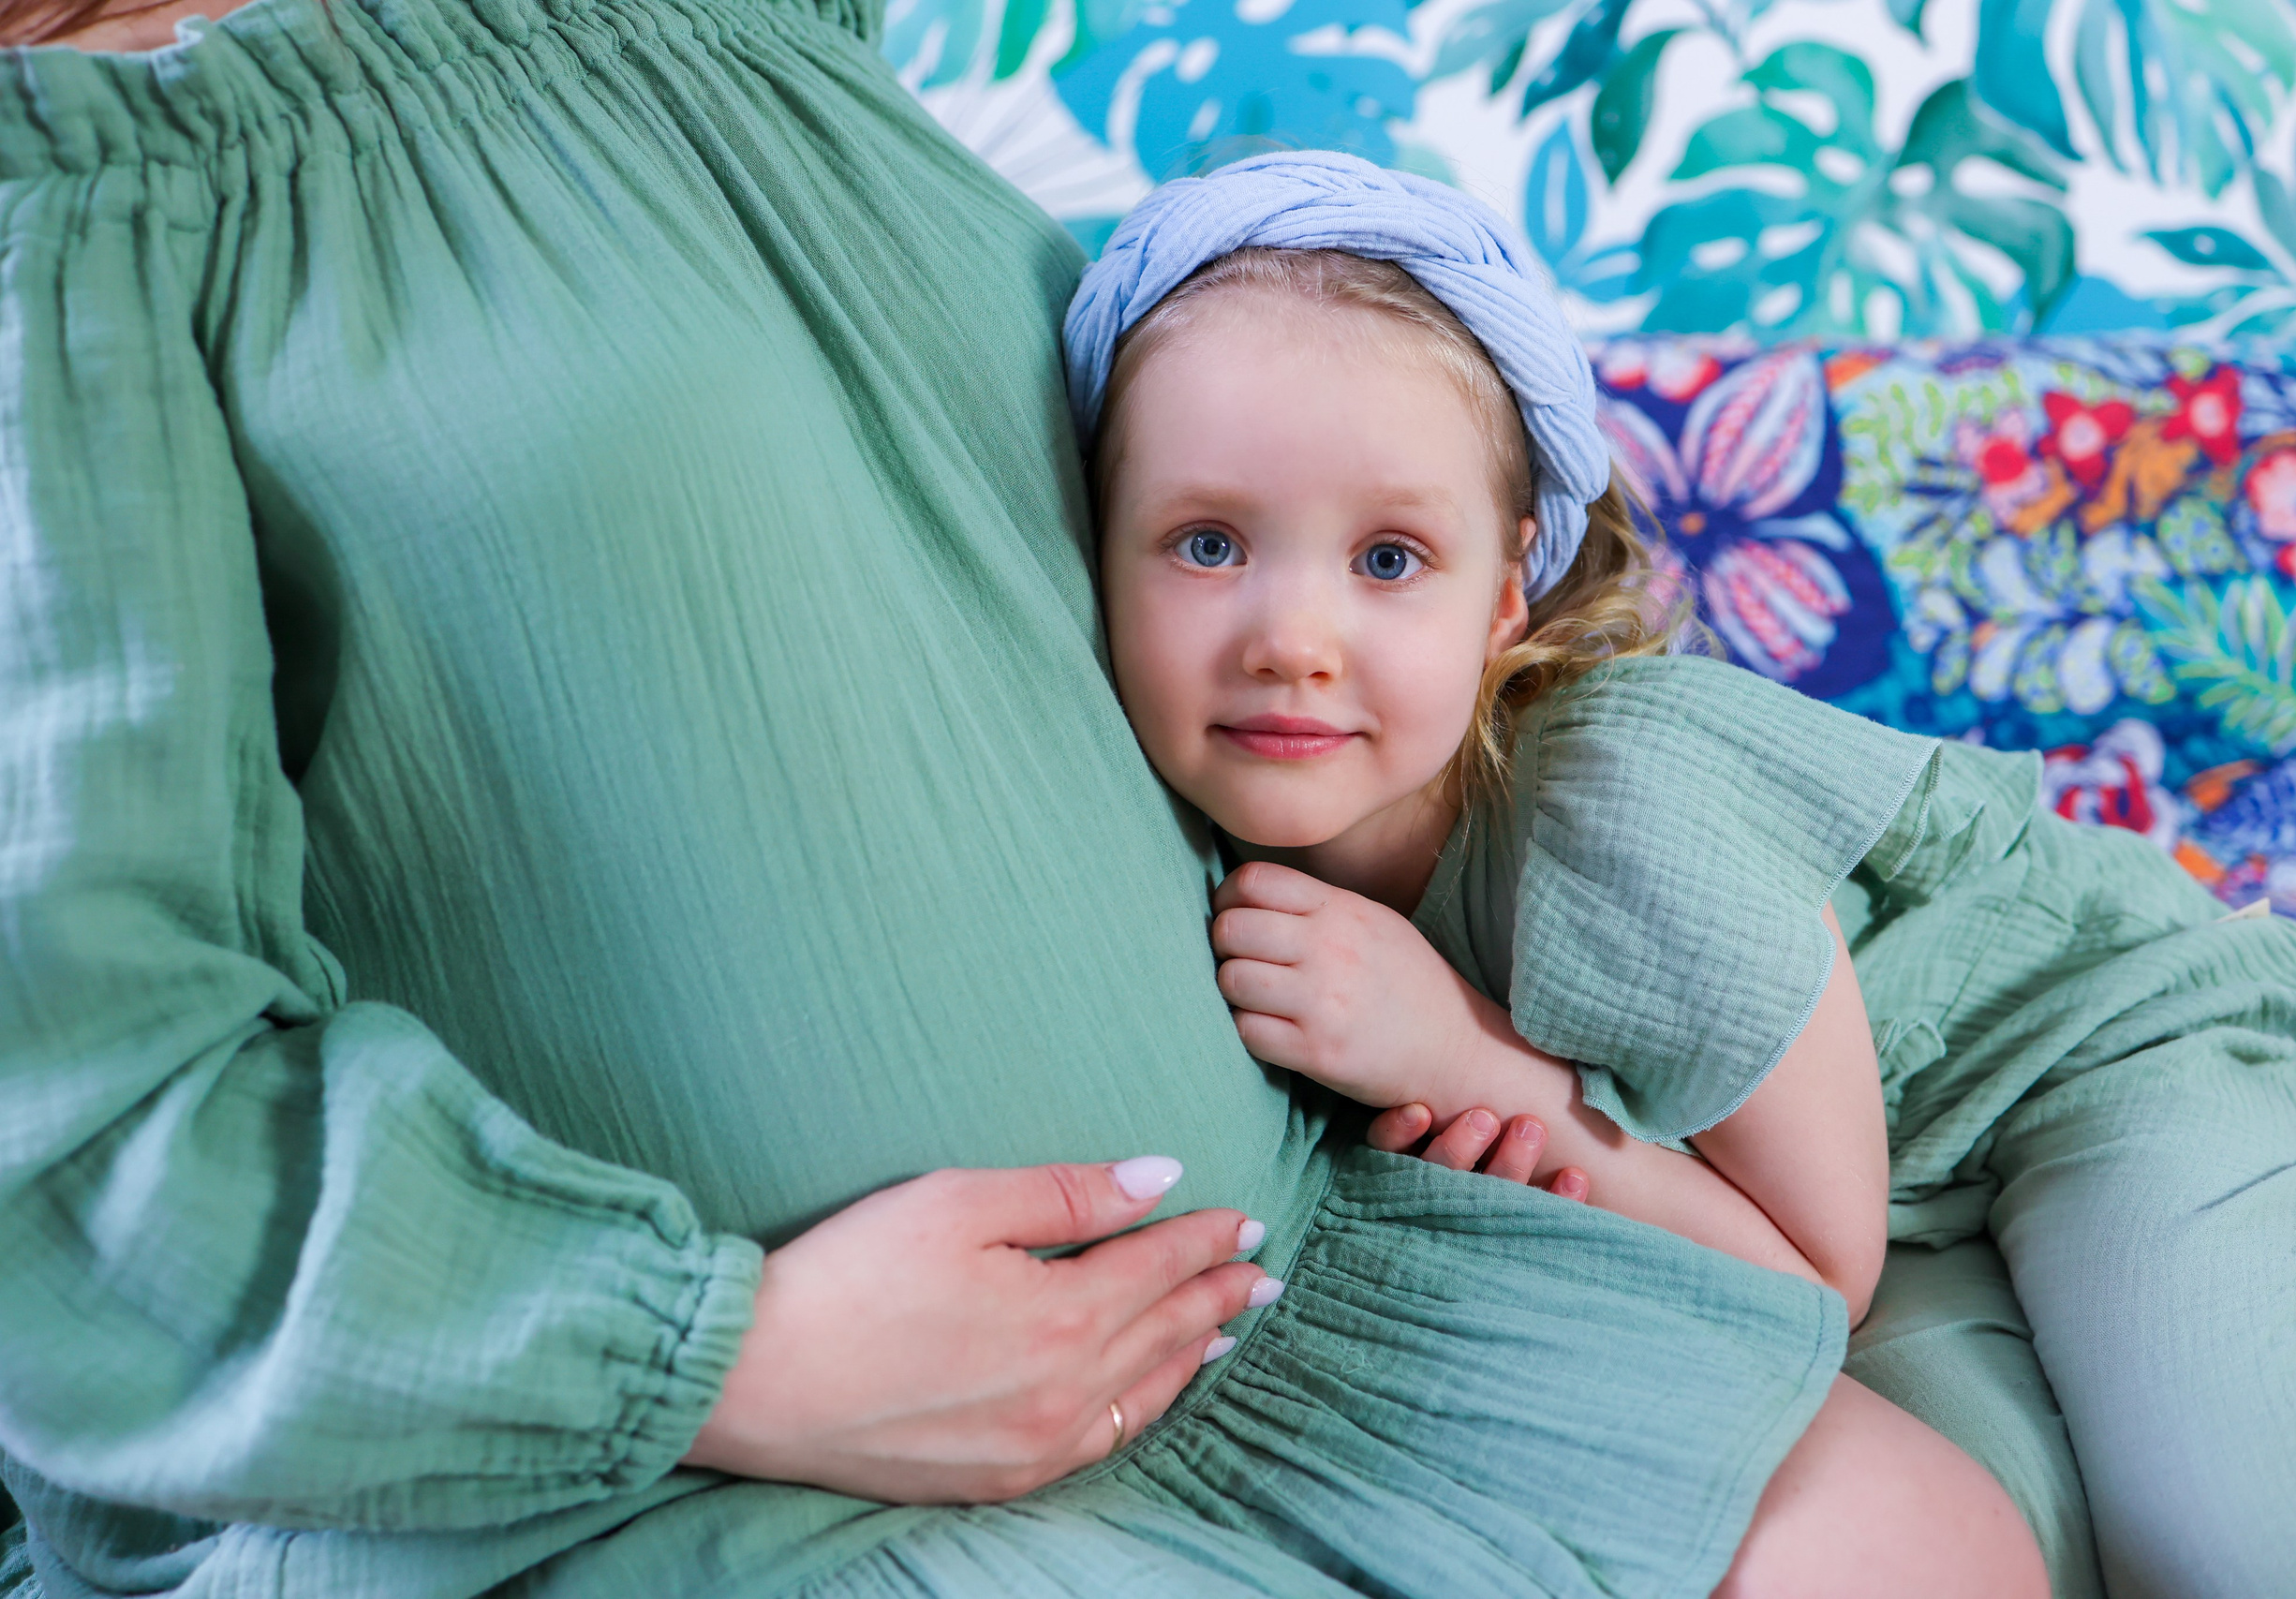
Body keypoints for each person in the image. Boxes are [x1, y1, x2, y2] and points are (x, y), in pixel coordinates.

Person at [0, 1, 1894, 1596]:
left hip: (1305, 1270)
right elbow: (76, 1114)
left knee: (1929, 1539)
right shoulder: (69, 234)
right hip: (722, 1478)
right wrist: (720, 1356)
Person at [1066, 152, 2296, 1599]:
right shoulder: (1172, 818)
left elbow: (1816, 1275)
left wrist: (1460, 1055)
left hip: (2093, 1075)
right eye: (1208, 543)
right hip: (1870, 1206)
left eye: (1390, 557)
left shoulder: (1618, 807)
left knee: (2223, 1554)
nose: (1293, 637)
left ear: (1507, 589)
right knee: (1972, 1560)